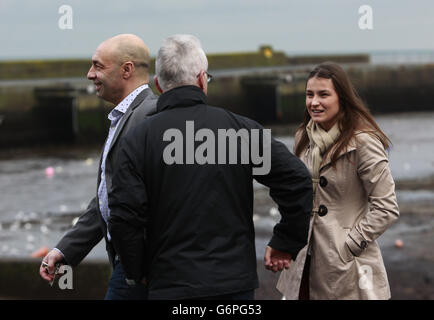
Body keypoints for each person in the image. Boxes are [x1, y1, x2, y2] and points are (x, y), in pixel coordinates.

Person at [107, 34, 313, 300]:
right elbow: (296, 180)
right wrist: (286, 241)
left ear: (158, 84)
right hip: (233, 284)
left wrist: (137, 271)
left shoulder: (138, 139)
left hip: (170, 284)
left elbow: (124, 217)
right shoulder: (240, 131)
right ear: (202, 79)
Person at [38, 34, 158, 300]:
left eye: (98, 66)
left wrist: (139, 265)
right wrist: (66, 249)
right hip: (129, 262)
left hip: (143, 266)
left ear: (127, 69)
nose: (90, 74)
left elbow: (153, 200)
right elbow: (110, 197)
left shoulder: (148, 116)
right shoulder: (123, 116)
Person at [276, 62, 400, 300]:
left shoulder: (363, 142)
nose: (314, 102)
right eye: (309, 94)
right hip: (304, 260)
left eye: (323, 94)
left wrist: (349, 244)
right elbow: (296, 195)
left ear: (341, 97)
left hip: (346, 265)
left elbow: (386, 207)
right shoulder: (303, 136)